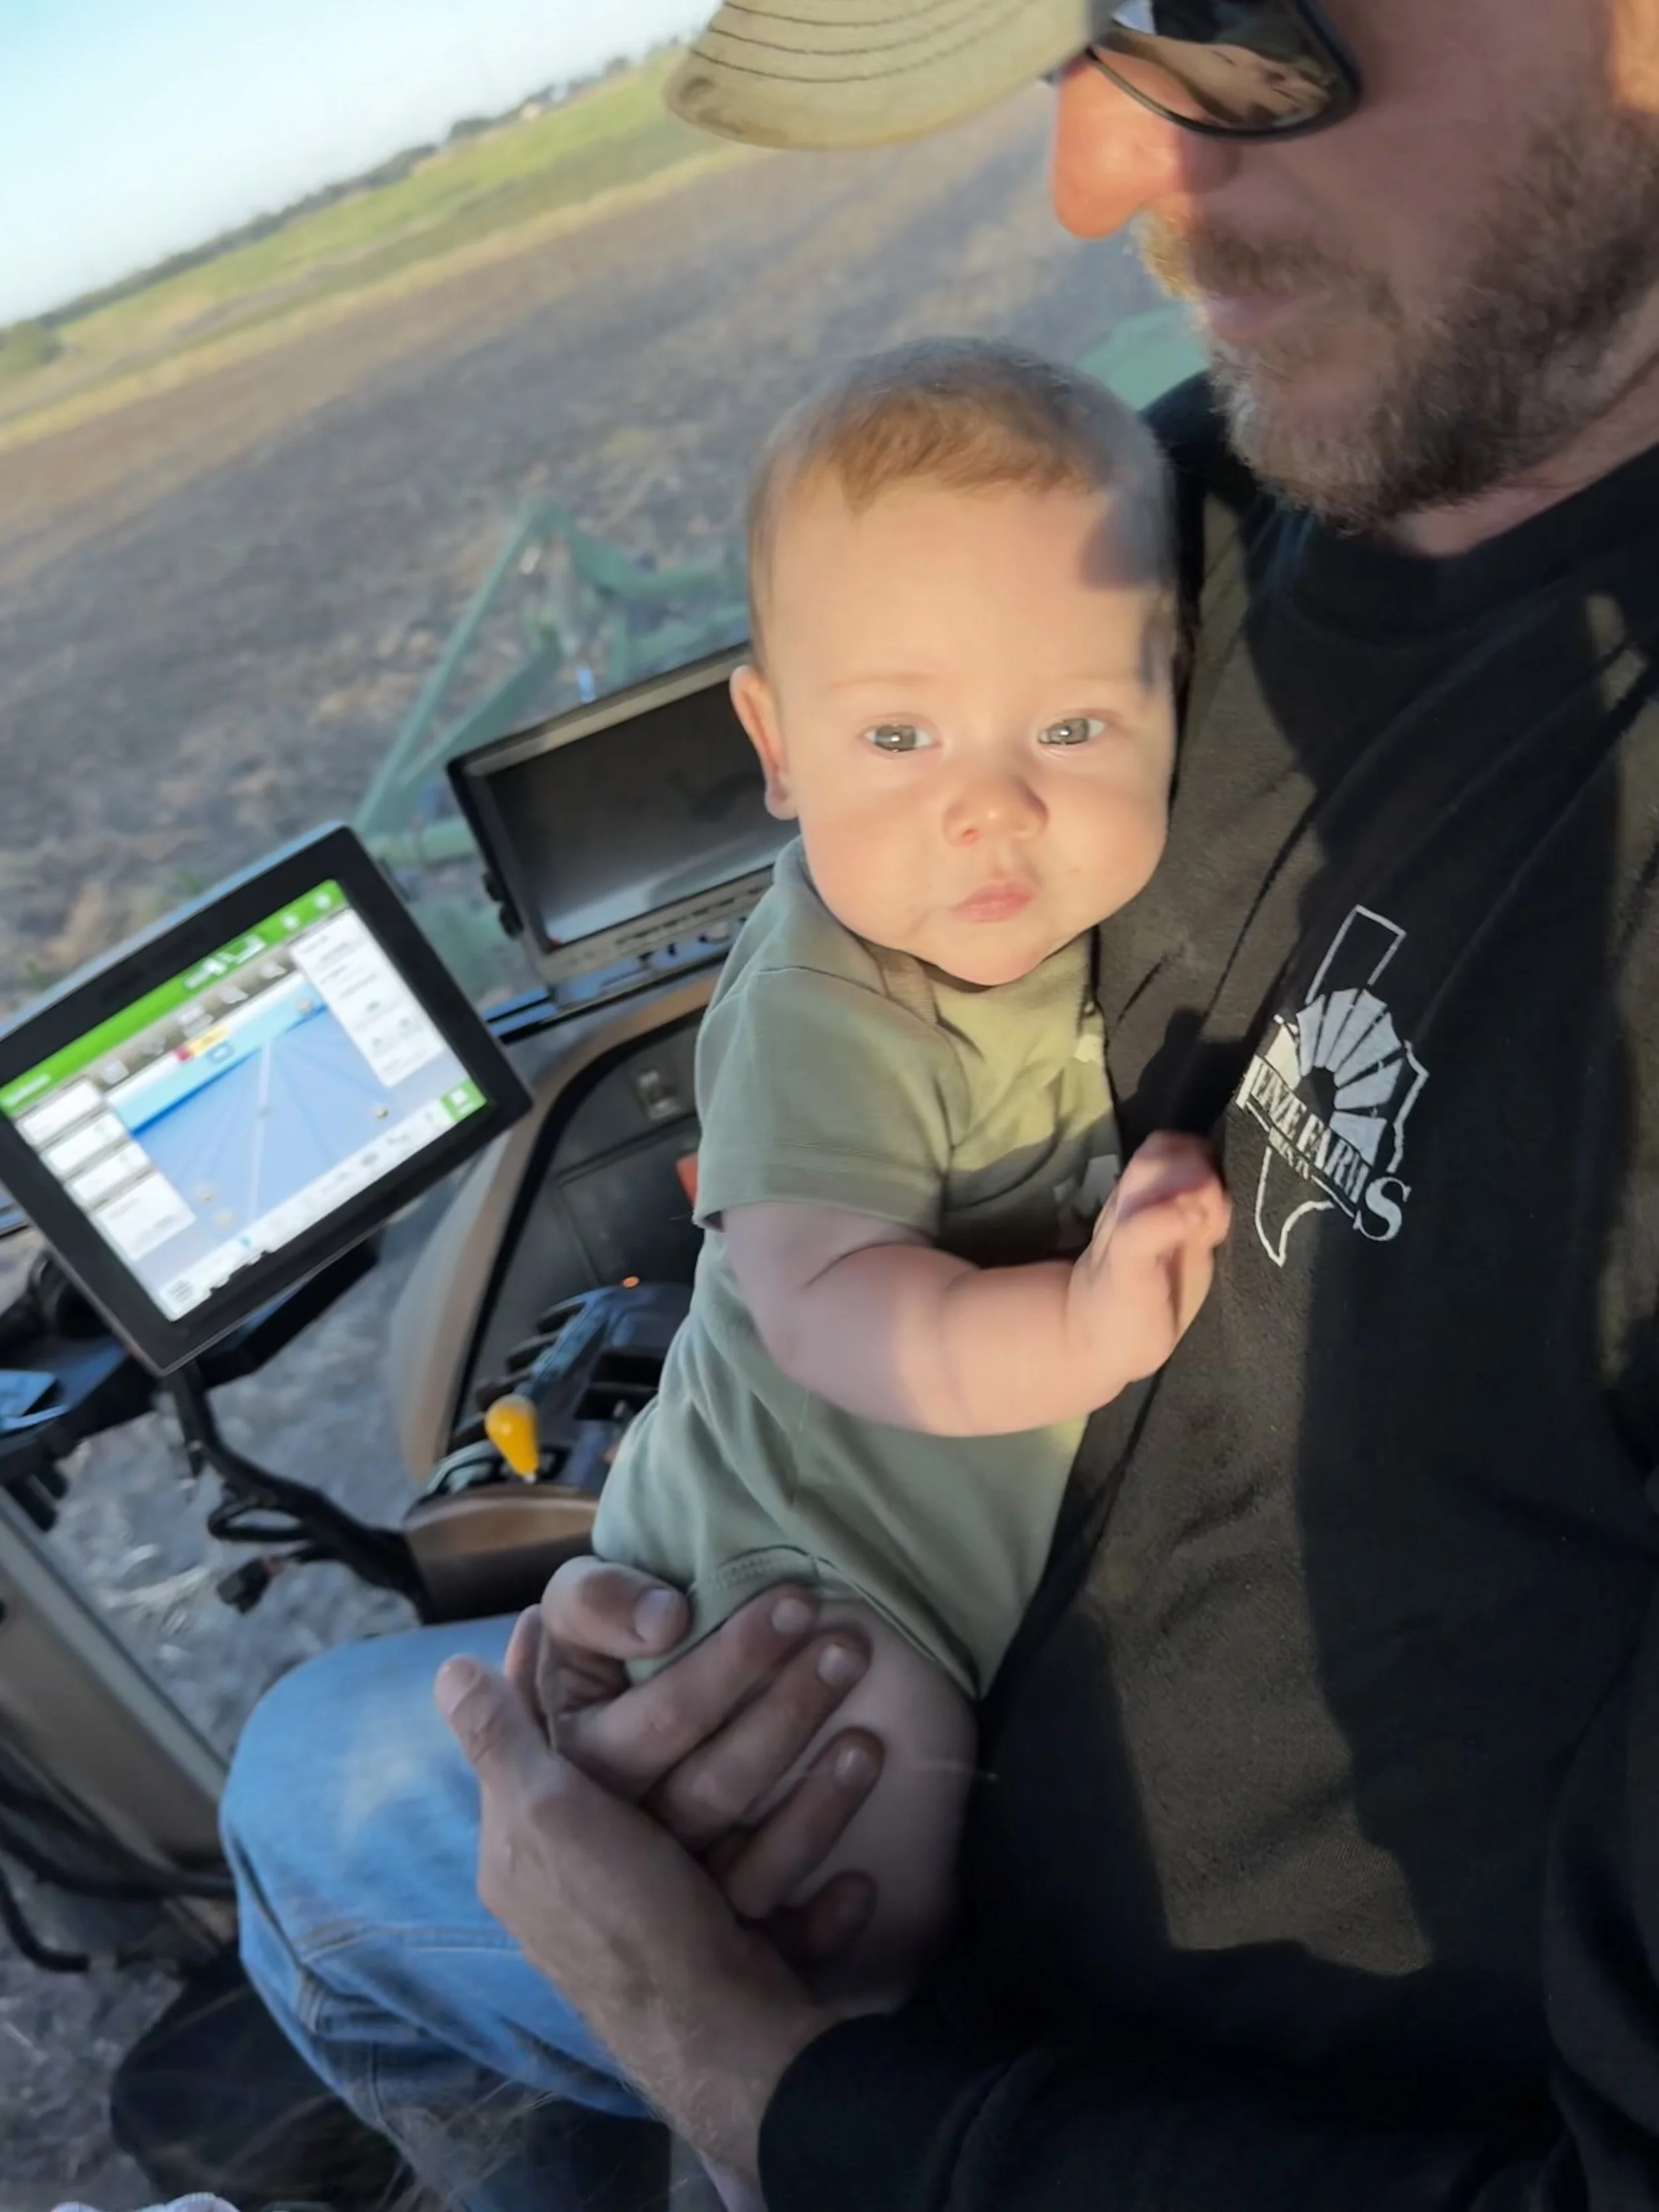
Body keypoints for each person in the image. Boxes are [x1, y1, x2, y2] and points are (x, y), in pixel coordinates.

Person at [220, 1, 1659, 2207]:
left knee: (315, 1807)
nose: (1090, 176)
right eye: (1081, 27)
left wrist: (764, 2077)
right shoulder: (1222, 493)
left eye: (1225, 14)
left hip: (1054, 2063)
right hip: (838, 1643)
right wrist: (654, 1619)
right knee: (319, 1759)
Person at [587, 337, 1228, 2040]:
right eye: (896, 736)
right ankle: (810, 2114)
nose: (989, 809)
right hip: (802, 1561)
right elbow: (825, 1308)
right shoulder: (828, 1000)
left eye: (1071, 725)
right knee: (873, 1816)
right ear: (776, 745)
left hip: (925, 1538)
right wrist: (1083, 1329)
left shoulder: (1051, 912)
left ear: (1175, 687)